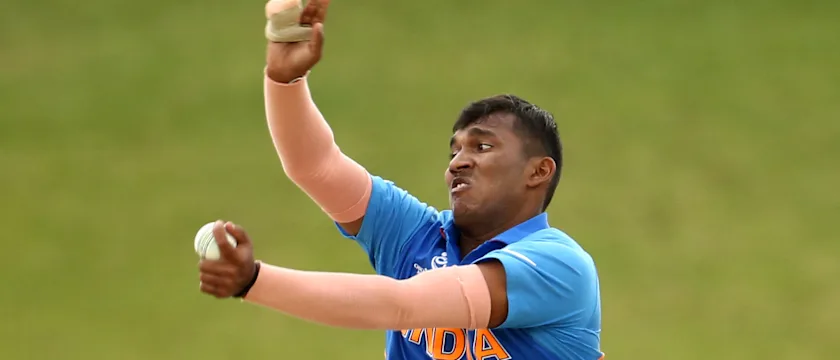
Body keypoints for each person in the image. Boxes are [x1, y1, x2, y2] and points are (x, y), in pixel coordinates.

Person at [197, 0, 604, 359]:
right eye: (454, 150)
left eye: (482, 147)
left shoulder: (559, 266)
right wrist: (284, 81)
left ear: (538, 171)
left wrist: (255, 280)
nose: (458, 163)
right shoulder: (418, 237)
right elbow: (315, 166)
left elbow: (403, 305)